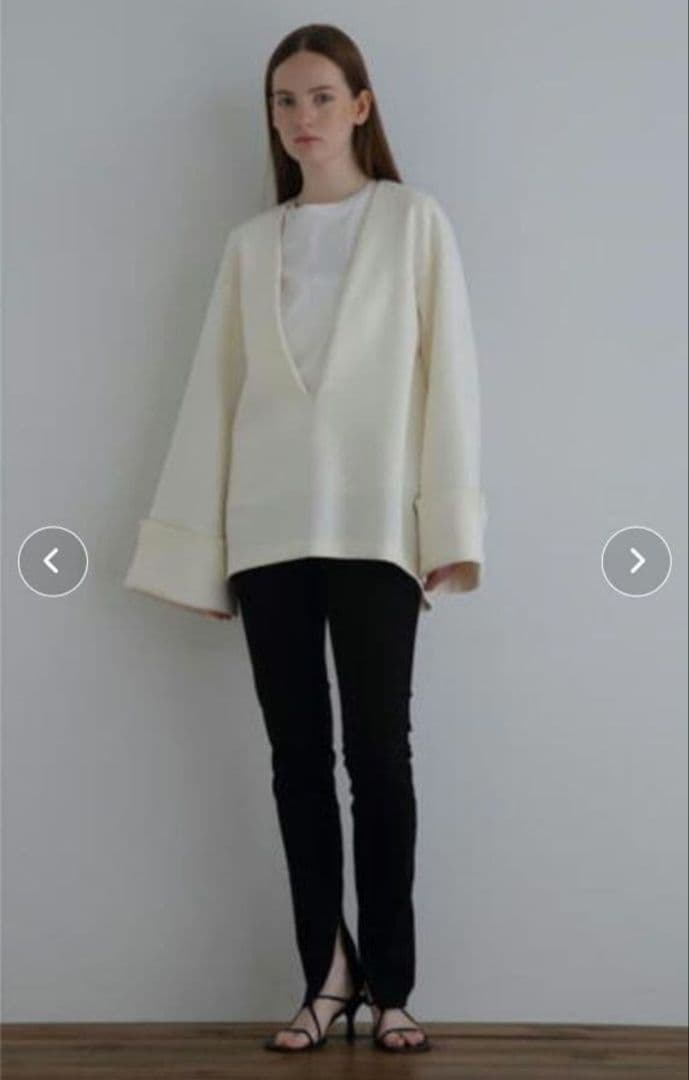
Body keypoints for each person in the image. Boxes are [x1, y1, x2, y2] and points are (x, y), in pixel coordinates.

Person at [124, 22, 487, 1056]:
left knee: (379, 755)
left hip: (377, 528)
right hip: (267, 533)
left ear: (360, 106)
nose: (301, 117)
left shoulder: (413, 222)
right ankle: (324, 977)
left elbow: (449, 380)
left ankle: (393, 988)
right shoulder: (251, 244)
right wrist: (200, 556)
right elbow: (214, 395)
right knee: (296, 760)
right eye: (284, 100)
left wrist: (447, 528)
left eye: (321, 96)